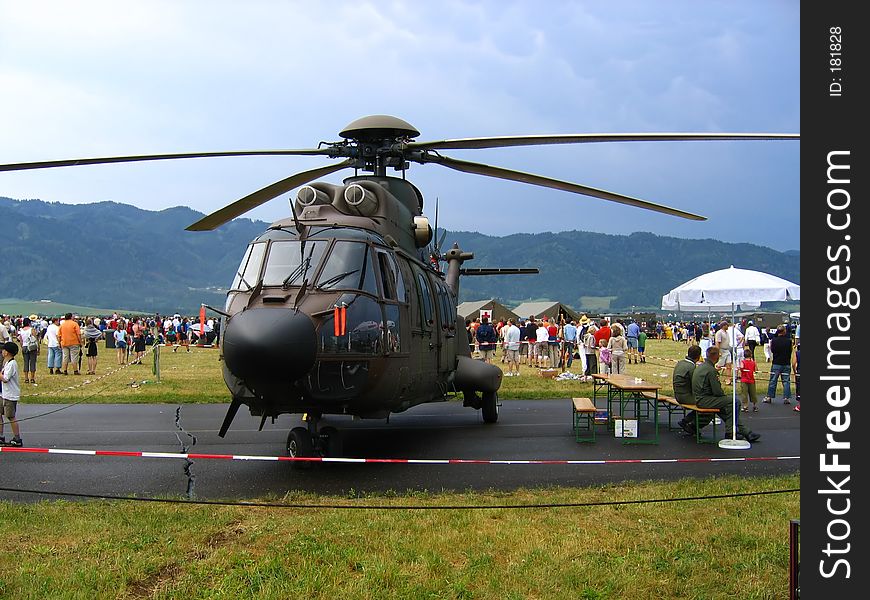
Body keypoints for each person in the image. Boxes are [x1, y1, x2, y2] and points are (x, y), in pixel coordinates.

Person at [692, 345, 760, 442]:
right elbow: (717, 391)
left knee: (727, 408)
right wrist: (724, 397)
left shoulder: (701, 367)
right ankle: (731, 432)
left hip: (700, 398)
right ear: (716, 357)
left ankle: (745, 431)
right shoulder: (711, 371)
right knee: (734, 402)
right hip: (705, 400)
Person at [674, 344, 703, 436]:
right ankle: (691, 423)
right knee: (707, 402)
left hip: (678, 394)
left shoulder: (680, 363)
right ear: (698, 357)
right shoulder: (691, 367)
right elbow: (696, 385)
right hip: (686, 397)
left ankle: (686, 420)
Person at [0, 341, 22, 447]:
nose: (2, 351)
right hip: (4, 394)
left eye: (3, 350)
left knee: (11, 416)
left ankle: (17, 438)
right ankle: (1, 436)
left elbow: (5, 379)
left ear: (7, 352)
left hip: (10, 395)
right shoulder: (7, 363)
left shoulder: (12, 364)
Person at [763, 325, 792, 404]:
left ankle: (769, 397)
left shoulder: (774, 340)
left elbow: (772, 350)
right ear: (784, 331)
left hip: (776, 362)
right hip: (786, 362)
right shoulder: (788, 341)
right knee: (786, 381)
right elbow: (790, 351)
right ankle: (786, 398)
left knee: (773, 380)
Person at [17, 317, 39, 385]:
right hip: (32, 347)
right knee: (32, 362)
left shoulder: (21, 330)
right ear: (29, 323)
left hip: (24, 346)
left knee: (26, 362)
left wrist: (22, 346)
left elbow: (21, 340)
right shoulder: (31, 329)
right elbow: (35, 339)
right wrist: (38, 348)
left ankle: (26, 378)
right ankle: (32, 378)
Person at [739, 348, 759, 413]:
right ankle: (755, 406)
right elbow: (756, 370)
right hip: (751, 380)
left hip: (744, 380)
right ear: (751, 355)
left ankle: (745, 406)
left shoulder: (742, 362)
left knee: (744, 393)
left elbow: (741, 368)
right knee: (753, 393)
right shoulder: (753, 362)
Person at [792, 343, 800, 412]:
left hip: (799, 373)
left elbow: (793, 363)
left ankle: (799, 406)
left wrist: (795, 372)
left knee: (799, 388)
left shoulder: (797, 353)